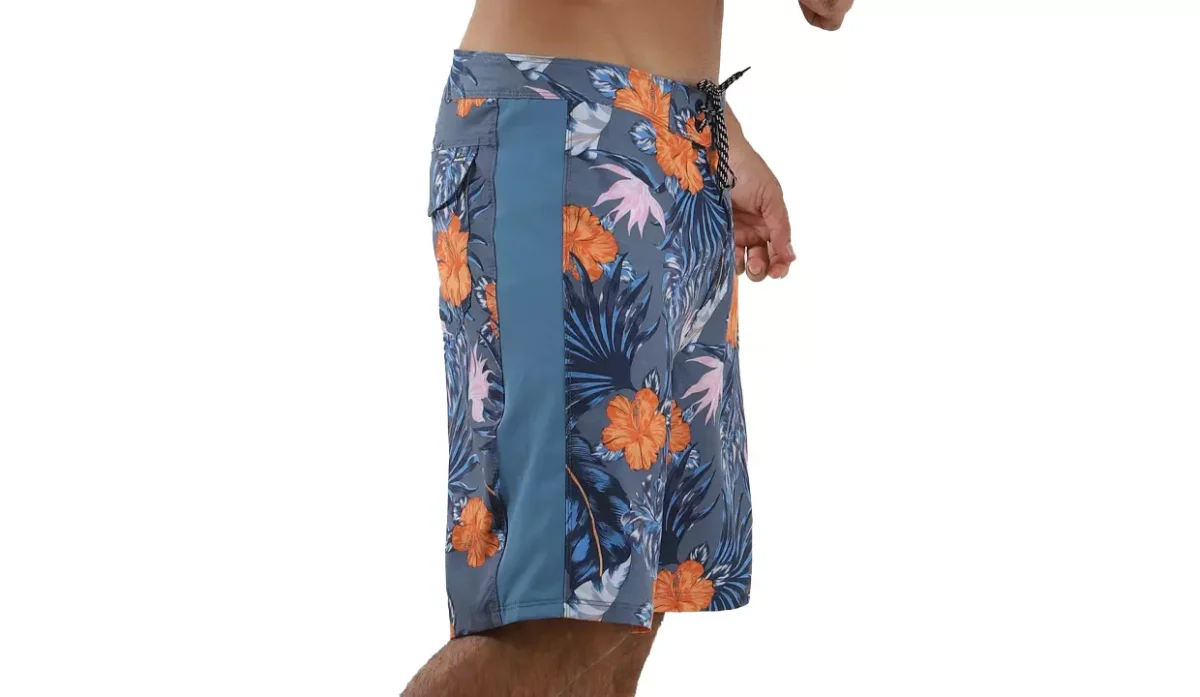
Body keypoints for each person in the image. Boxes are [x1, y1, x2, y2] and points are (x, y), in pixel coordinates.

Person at [406, 1, 853, 694]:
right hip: (560, 118)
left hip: (678, 132)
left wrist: (711, 129)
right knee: (563, 609)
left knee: (627, 619)